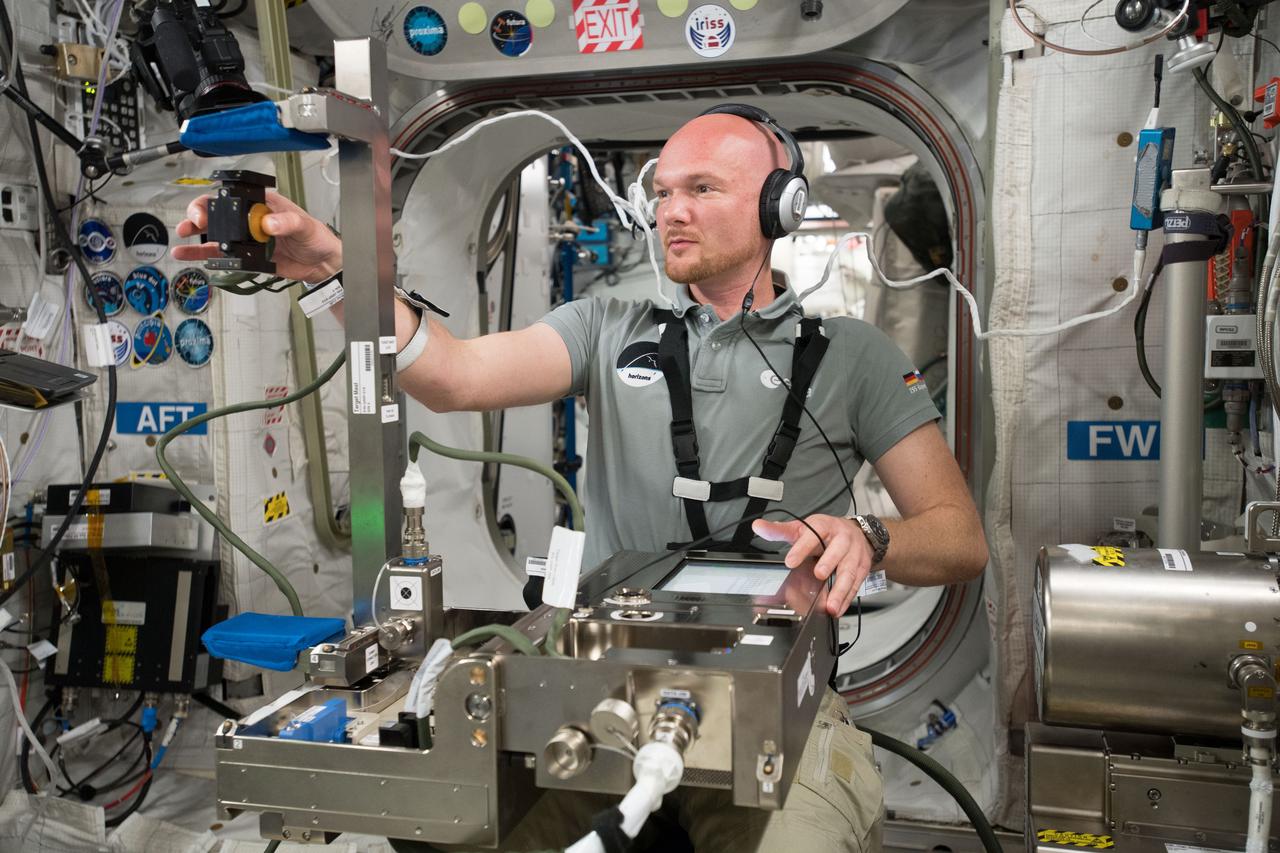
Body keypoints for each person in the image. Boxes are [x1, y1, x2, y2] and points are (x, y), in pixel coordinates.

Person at [174, 104, 988, 853]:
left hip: (778, 710)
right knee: (444, 823)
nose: (672, 210)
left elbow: (958, 538)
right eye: (662, 190)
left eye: (703, 188)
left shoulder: (856, 358)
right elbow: (451, 375)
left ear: (779, 206)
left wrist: (867, 537)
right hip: (603, 697)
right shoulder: (607, 326)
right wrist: (331, 266)